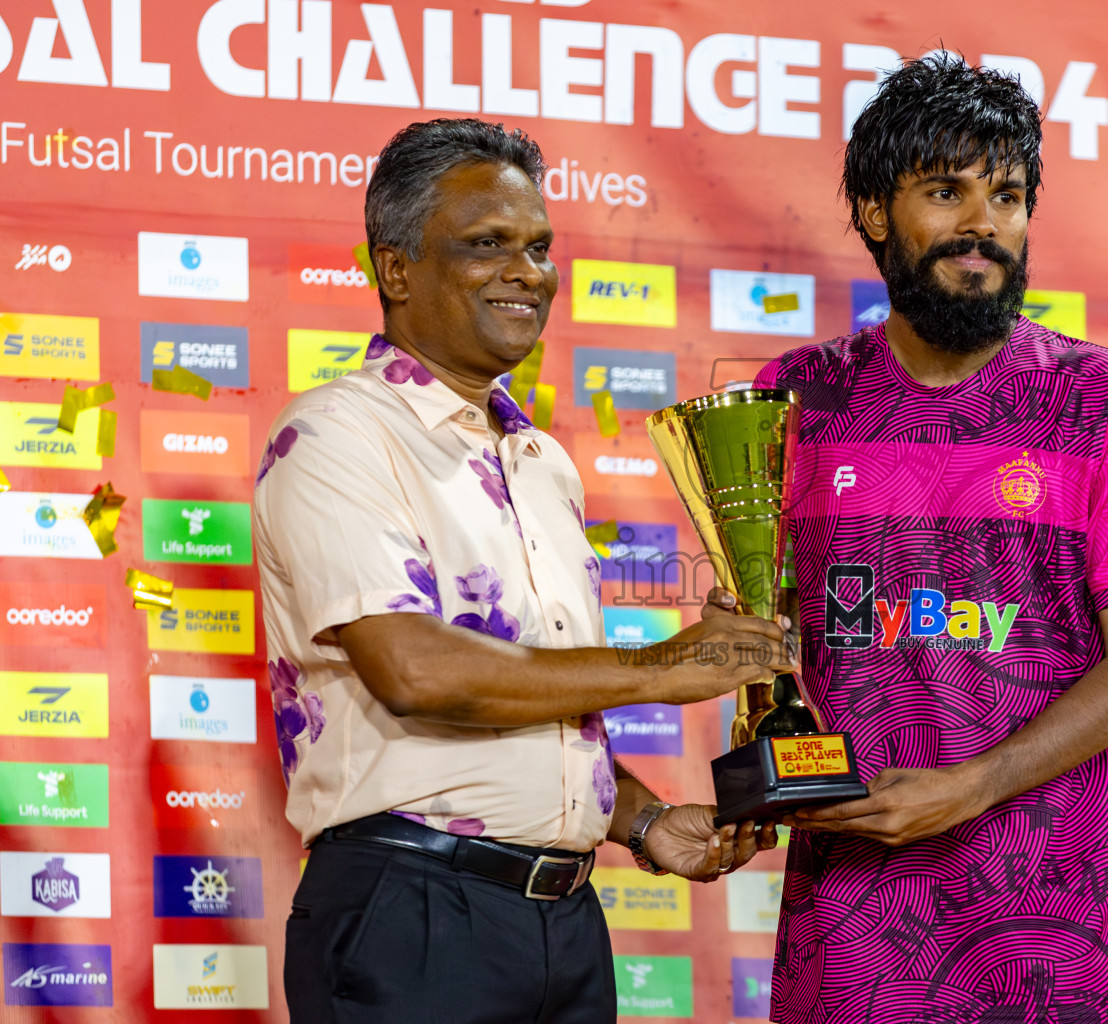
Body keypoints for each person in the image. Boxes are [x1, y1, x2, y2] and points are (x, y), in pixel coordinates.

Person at [253, 118, 791, 1023]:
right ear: (394, 269)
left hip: (566, 924)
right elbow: (417, 671)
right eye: (487, 245)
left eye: (539, 246)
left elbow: (542, 707)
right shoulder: (337, 435)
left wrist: (650, 824)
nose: (527, 272)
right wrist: (663, 669)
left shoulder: (542, 462)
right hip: (411, 915)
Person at [722, 55, 1108, 1023]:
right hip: (854, 936)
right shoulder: (792, 399)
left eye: (1008, 196)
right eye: (946, 191)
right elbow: (759, 634)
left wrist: (972, 786)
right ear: (874, 210)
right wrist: (744, 661)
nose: (983, 224)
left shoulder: (1105, 399)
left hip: (1056, 938)